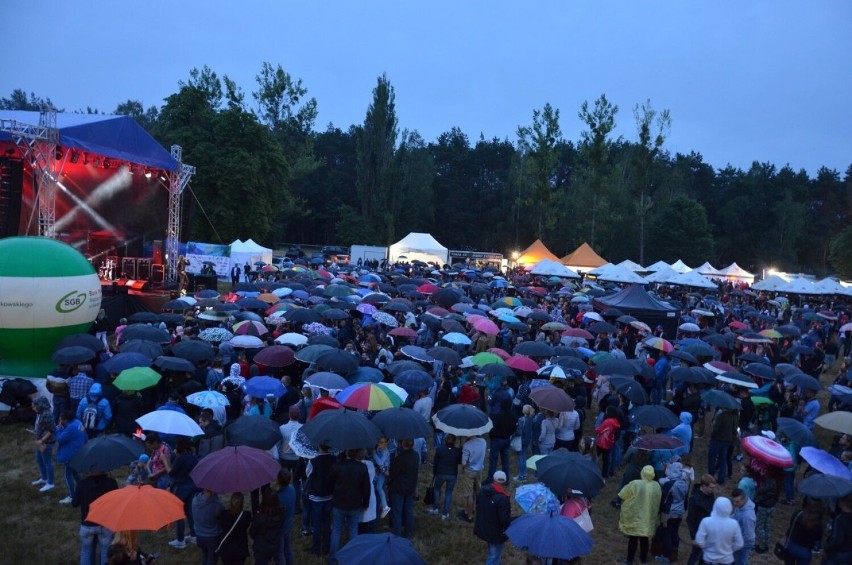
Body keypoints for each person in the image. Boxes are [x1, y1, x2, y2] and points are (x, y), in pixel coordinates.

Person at [327, 449, 371, 561]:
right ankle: (352, 557)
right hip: (354, 504)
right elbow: (367, 488)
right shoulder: (362, 467)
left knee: (336, 531)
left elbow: (330, 482)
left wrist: (331, 494)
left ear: (347, 452)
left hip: (339, 503)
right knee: (353, 530)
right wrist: (366, 503)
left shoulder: (338, 465)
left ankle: (332, 558)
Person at [617, 465, 662, 565]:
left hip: (636, 517)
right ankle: (643, 560)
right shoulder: (656, 486)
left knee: (633, 539)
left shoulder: (635, 484)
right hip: (648, 518)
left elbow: (622, 494)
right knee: (644, 539)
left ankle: (629, 560)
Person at [73, 469, 119, 565]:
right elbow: (117, 503)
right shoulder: (111, 483)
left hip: (87, 525)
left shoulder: (82, 484)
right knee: (105, 552)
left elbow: (74, 503)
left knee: (86, 552)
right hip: (105, 525)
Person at [473, 471, 512, 565]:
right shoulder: (503, 498)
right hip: (495, 533)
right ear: (504, 482)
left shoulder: (483, 491)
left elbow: (478, 506)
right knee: (494, 556)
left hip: (483, 526)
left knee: (494, 554)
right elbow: (504, 520)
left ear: (493, 479)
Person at [167, 439, 199, 549]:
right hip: (192, 486)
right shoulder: (194, 457)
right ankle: (194, 535)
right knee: (189, 511)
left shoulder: (179, 459)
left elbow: (171, 473)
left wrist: (165, 461)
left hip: (181, 487)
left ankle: (180, 539)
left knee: (179, 513)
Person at [694, 497, 744, 565]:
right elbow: (739, 544)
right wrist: (729, 550)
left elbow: (699, 541)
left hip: (708, 560)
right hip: (727, 561)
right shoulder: (734, 524)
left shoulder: (706, 522)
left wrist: (706, 548)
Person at [659, 461, 690, 563]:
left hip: (669, 512)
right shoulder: (684, 483)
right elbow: (685, 498)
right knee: (675, 532)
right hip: (680, 512)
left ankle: (665, 557)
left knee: (667, 534)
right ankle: (674, 554)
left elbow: (664, 498)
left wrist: (660, 510)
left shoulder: (669, 484)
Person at [388, 438, 419, 538]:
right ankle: (409, 531)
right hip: (410, 487)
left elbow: (393, 473)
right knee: (409, 510)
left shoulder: (400, 457)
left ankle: (397, 534)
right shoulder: (416, 455)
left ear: (402, 444)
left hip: (398, 488)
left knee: (397, 511)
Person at [56, 410, 87, 504]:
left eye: (61, 420)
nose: (60, 421)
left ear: (66, 420)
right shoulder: (78, 423)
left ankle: (72, 496)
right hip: (79, 451)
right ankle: (83, 490)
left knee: (67, 474)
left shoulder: (70, 428)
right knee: (75, 472)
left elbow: (60, 439)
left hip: (71, 454)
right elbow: (85, 436)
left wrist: (59, 429)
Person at [686, 474, 718, 565]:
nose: (713, 490)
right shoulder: (694, 499)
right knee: (695, 554)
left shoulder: (710, 494)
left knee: (705, 554)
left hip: (709, 529)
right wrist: (693, 537)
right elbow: (690, 519)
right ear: (704, 486)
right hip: (699, 531)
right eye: (711, 488)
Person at [781, 497, 824, 564]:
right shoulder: (818, 523)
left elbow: (791, 524)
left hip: (792, 545)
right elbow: (818, 539)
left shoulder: (798, 513)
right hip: (805, 550)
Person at [250, 487, 284, 565]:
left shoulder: (260, 517)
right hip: (274, 544)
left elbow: (252, 532)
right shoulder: (281, 512)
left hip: (262, 548)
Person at [430, 433, 461, 519]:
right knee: (448, 493)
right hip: (452, 474)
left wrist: (434, 473)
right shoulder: (457, 451)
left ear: (445, 440)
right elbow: (459, 462)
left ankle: (435, 508)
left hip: (440, 473)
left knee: (436, 489)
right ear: (454, 441)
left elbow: (435, 463)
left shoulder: (440, 449)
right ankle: (445, 513)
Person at [216, 492, 252, 565]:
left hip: (226, 549)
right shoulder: (246, 516)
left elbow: (220, 524)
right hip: (240, 549)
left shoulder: (223, 515)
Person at [459, 434, 487, 523]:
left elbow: (464, 463)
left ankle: (469, 516)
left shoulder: (467, 445)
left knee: (469, 494)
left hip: (469, 471)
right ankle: (473, 510)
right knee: (477, 491)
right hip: (479, 470)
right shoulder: (483, 441)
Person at [32, 396, 57, 492]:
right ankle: (44, 477)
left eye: (34, 406)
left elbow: (52, 430)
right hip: (40, 440)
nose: (33, 408)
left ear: (40, 405)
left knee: (47, 462)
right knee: (39, 459)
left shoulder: (47, 415)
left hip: (46, 441)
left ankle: (50, 483)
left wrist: (42, 440)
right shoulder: (40, 413)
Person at [730, 488, 756, 565]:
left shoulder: (747, 516)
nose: (734, 504)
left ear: (744, 499)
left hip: (743, 545)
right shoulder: (741, 506)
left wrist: (736, 546)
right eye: (733, 501)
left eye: (737, 501)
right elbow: (735, 516)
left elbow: (749, 536)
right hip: (738, 540)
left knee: (740, 562)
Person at [595, 406, 621, 478]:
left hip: (602, 442)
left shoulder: (607, 421)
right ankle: (605, 473)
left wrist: (597, 429)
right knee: (606, 459)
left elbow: (598, 430)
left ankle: (593, 470)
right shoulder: (616, 422)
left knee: (596, 456)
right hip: (609, 442)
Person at [277, 469, 297, 565]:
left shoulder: (279, 497)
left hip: (281, 527)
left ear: (278, 480)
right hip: (289, 523)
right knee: (288, 547)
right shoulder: (292, 488)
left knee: (280, 553)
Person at [512, 405, 534, 481]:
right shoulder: (531, 419)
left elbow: (519, 432)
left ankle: (521, 476)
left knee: (521, 458)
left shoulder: (521, 420)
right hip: (527, 440)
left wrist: (513, 434)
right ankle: (524, 472)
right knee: (523, 456)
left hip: (521, 440)